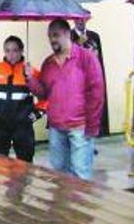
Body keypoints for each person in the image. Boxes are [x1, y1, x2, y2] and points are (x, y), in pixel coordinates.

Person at [26, 19, 105, 181]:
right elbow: (43, 94)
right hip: (56, 128)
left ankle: (79, 206)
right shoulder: (48, 63)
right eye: (49, 36)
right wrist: (30, 79)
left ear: (68, 34)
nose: (52, 40)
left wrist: (92, 125)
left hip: (80, 127)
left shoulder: (86, 58)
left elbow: (96, 93)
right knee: (59, 175)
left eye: (56, 35)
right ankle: (62, 205)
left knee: (80, 176)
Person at [0, 35, 44, 162]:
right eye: (7, 50)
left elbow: (45, 95)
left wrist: (36, 114)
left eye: (15, 50)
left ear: (21, 51)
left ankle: (24, 182)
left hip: (22, 126)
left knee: (25, 163)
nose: (11, 54)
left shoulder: (31, 72)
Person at [72, 18, 110, 136]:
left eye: (83, 19)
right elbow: (66, 55)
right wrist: (79, 43)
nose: (81, 22)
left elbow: (99, 59)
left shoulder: (94, 36)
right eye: (78, 20)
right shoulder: (69, 36)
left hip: (91, 76)